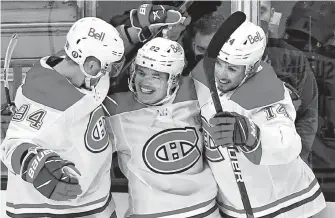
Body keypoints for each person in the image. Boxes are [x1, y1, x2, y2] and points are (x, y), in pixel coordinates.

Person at [191, 18, 326, 218]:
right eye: (219, 63)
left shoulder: (268, 92)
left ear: (252, 68)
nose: (221, 74)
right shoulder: (203, 72)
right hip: (233, 203)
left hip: (285, 204)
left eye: (232, 68)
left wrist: (250, 134)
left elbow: (287, 143)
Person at [0, 17, 125, 217]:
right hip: (57, 208)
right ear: (91, 66)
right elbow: (11, 144)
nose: (109, 74)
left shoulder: (69, 62)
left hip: (94, 198)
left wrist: (139, 27)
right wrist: (35, 165)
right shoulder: (45, 96)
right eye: (108, 67)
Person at [103, 37, 220, 218]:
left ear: (174, 80)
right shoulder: (115, 109)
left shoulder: (195, 92)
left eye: (156, 76)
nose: (144, 82)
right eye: (141, 73)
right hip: (151, 212)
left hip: (204, 210)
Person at [260, 0, 319, 166]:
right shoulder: (222, 57)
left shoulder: (292, 57)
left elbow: (308, 115)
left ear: (271, 15)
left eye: (261, 11)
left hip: (283, 159)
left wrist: (296, 161)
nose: (255, 18)